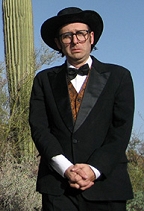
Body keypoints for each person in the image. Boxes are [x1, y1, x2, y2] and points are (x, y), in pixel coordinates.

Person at [29, 7, 134, 211]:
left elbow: (120, 131)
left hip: (106, 186)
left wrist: (93, 170)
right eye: (67, 36)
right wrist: (66, 168)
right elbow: (39, 128)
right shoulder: (43, 80)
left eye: (80, 33)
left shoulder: (119, 76)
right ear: (59, 43)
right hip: (58, 188)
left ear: (91, 37)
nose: (75, 40)